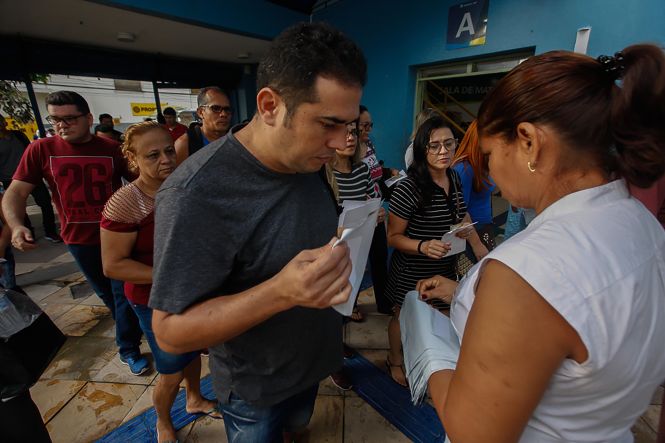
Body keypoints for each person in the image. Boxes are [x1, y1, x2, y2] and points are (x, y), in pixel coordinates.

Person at [416, 45, 665, 442]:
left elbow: (472, 432)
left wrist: (429, 352)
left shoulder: (529, 270)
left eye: (491, 154)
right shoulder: (646, 229)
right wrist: (464, 291)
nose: (492, 174)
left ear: (529, 142)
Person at [149, 22, 364, 442]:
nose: (341, 142)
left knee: (299, 427)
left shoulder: (309, 161)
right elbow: (170, 331)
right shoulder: (195, 193)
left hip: (314, 362)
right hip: (256, 388)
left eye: (349, 125)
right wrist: (281, 292)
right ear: (269, 106)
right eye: (328, 124)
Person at [2, 91, 148, 376]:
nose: (62, 125)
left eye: (70, 119)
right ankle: (133, 334)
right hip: (79, 240)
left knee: (124, 295)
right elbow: (16, 192)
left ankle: (128, 349)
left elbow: (141, 183)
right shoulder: (41, 149)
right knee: (109, 297)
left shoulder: (111, 148)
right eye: (55, 119)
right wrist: (17, 224)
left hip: (117, 236)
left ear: (88, 118)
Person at [100, 121, 219, 443]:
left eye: (169, 151)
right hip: (152, 300)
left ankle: (194, 399)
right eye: (153, 155)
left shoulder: (184, 187)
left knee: (192, 353)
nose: (165, 159)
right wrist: (172, 274)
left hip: (191, 292)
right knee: (170, 369)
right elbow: (113, 265)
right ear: (133, 159)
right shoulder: (126, 202)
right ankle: (163, 421)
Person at [385, 116, 487, 387]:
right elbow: (392, 237)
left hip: (444, 265)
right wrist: (422, 245)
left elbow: (460, 211)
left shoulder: (453, 176)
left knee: (439, 315)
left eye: (448, 143)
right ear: (422, 149)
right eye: (434, 146)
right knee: (401, 316)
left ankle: (431, 359)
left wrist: (477, 246)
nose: (443, 151)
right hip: (411, 269)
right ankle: (395, 360)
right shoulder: (408, 187)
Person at [0, 114, 61, 243]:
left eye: (1, 122)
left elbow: (30, 152)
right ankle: (27, 232)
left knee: (45, 203)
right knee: (18, 207)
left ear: (4, 123)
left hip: (32, 176)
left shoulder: (18, 135)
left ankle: (50, 232)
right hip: (10, 179)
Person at [357, 105, 392, 314]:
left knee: (380, 258)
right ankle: (349, 305)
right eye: (364, 125)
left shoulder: (368, 144)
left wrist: (389, 173)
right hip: (360, 216)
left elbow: (375, 174)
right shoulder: (345, 149)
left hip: (377, 213)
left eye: (371, 124)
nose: (369, 129)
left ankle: (384, 303)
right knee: (356, 264)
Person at [451, 120, 497, 257]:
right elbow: (460, 212)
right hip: (472, 235)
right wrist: (477, 245)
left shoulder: (482, 164)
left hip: (484, 228)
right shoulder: (464, 169)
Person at [174, 87, 232, 164]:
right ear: (201, 112)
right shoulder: (185, 144)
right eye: (216, 108)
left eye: (227, 109)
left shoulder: (236, 138)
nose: (223, 114)